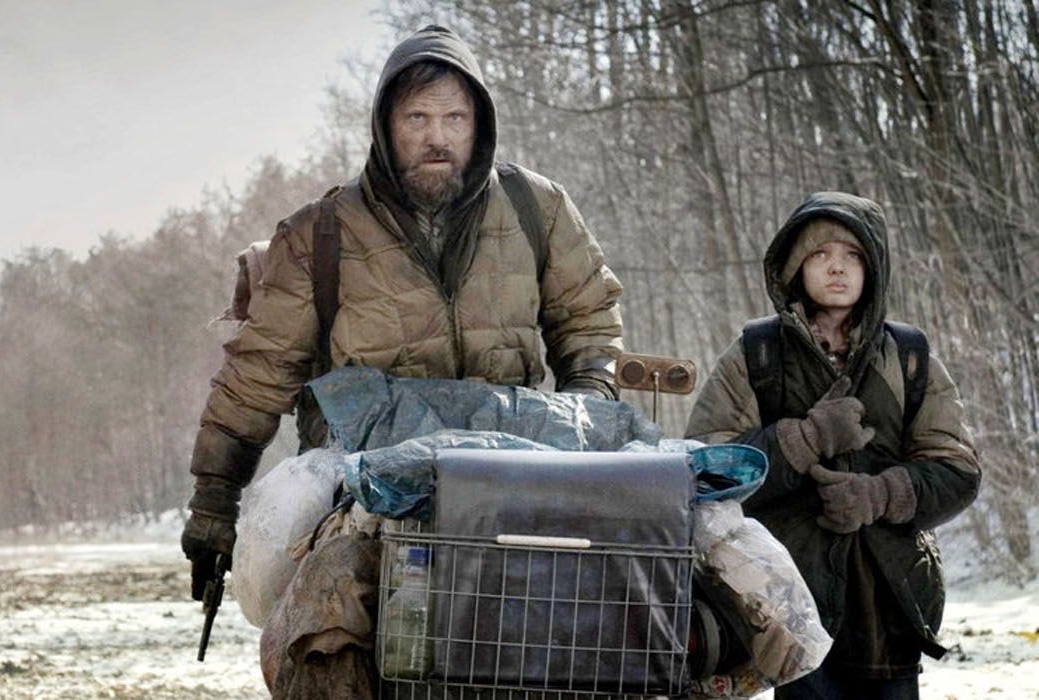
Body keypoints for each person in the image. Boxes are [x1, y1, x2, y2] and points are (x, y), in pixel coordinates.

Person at [180, 25, 625, 603]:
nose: (437, 137)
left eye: (454, 119)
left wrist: (583, 415)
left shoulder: (536, 208)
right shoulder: (319, 236)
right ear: (385, 126)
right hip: (361, 492)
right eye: (417, 118)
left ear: (479, 124)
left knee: (583, 625)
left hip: (513, 473)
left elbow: (589, 323)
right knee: (330, 631)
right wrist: (214, 504)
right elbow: (256, 380)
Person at [686, 192, 981, 698]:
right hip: (790, 607)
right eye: (820, 255)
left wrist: (881, 495)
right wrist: (803, 440)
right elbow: (702, 473)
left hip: (890, 608)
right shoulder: (756, 354)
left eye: (852, 256)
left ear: (873, 268)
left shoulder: (909, 356)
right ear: (795, 267)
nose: (836, 268)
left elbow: (957, 470)